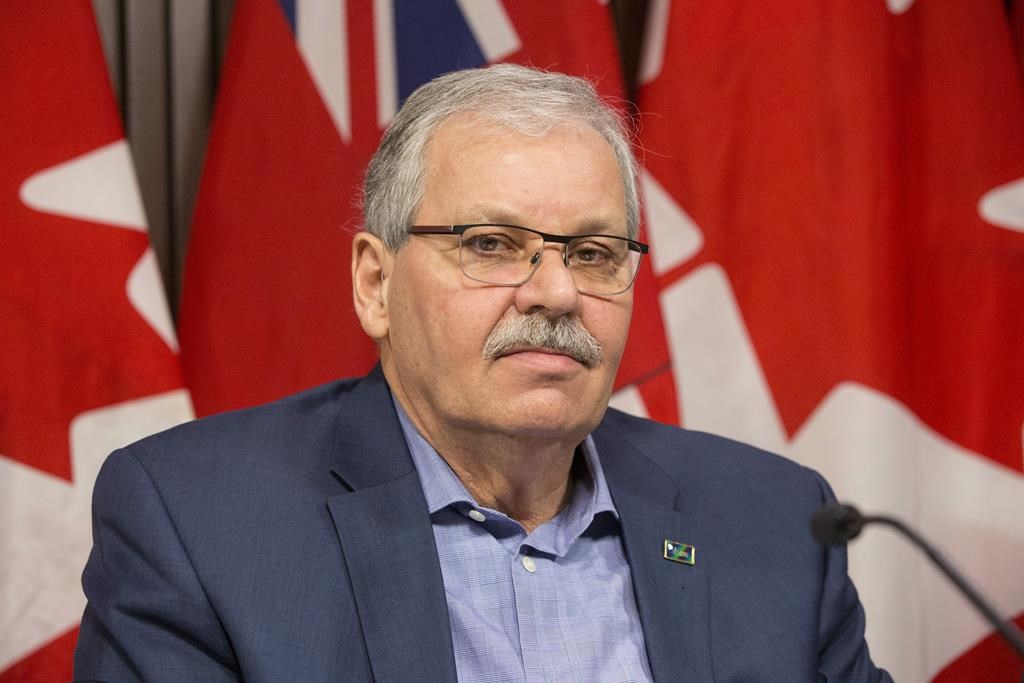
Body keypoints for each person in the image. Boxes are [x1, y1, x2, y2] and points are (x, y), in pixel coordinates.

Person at [74, 64, 891, 682]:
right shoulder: (200, 524)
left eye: (595, 253)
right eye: (491, 244)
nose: (557, 291)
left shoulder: (777, 522)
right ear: (375, 283)